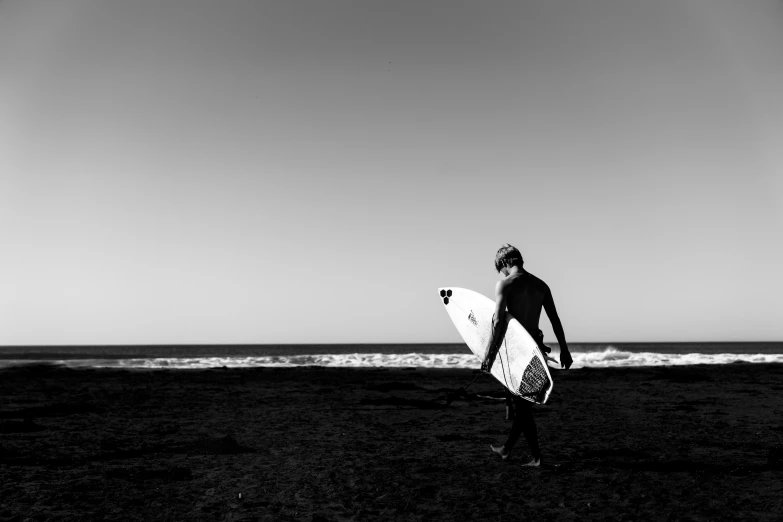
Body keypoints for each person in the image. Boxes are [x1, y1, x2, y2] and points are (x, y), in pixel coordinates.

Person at [480, 244, 573, 466]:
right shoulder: (541, 285)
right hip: (536, 350)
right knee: (523, 405)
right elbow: (555, 320)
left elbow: (498, 321)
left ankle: (535, 457)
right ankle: (507, 449)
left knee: (522, 407)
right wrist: (565, 349)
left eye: (499, 269)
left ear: (504, 263)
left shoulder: (504, 284)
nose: (501, 273)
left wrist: (488, 354)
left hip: (515, 351)